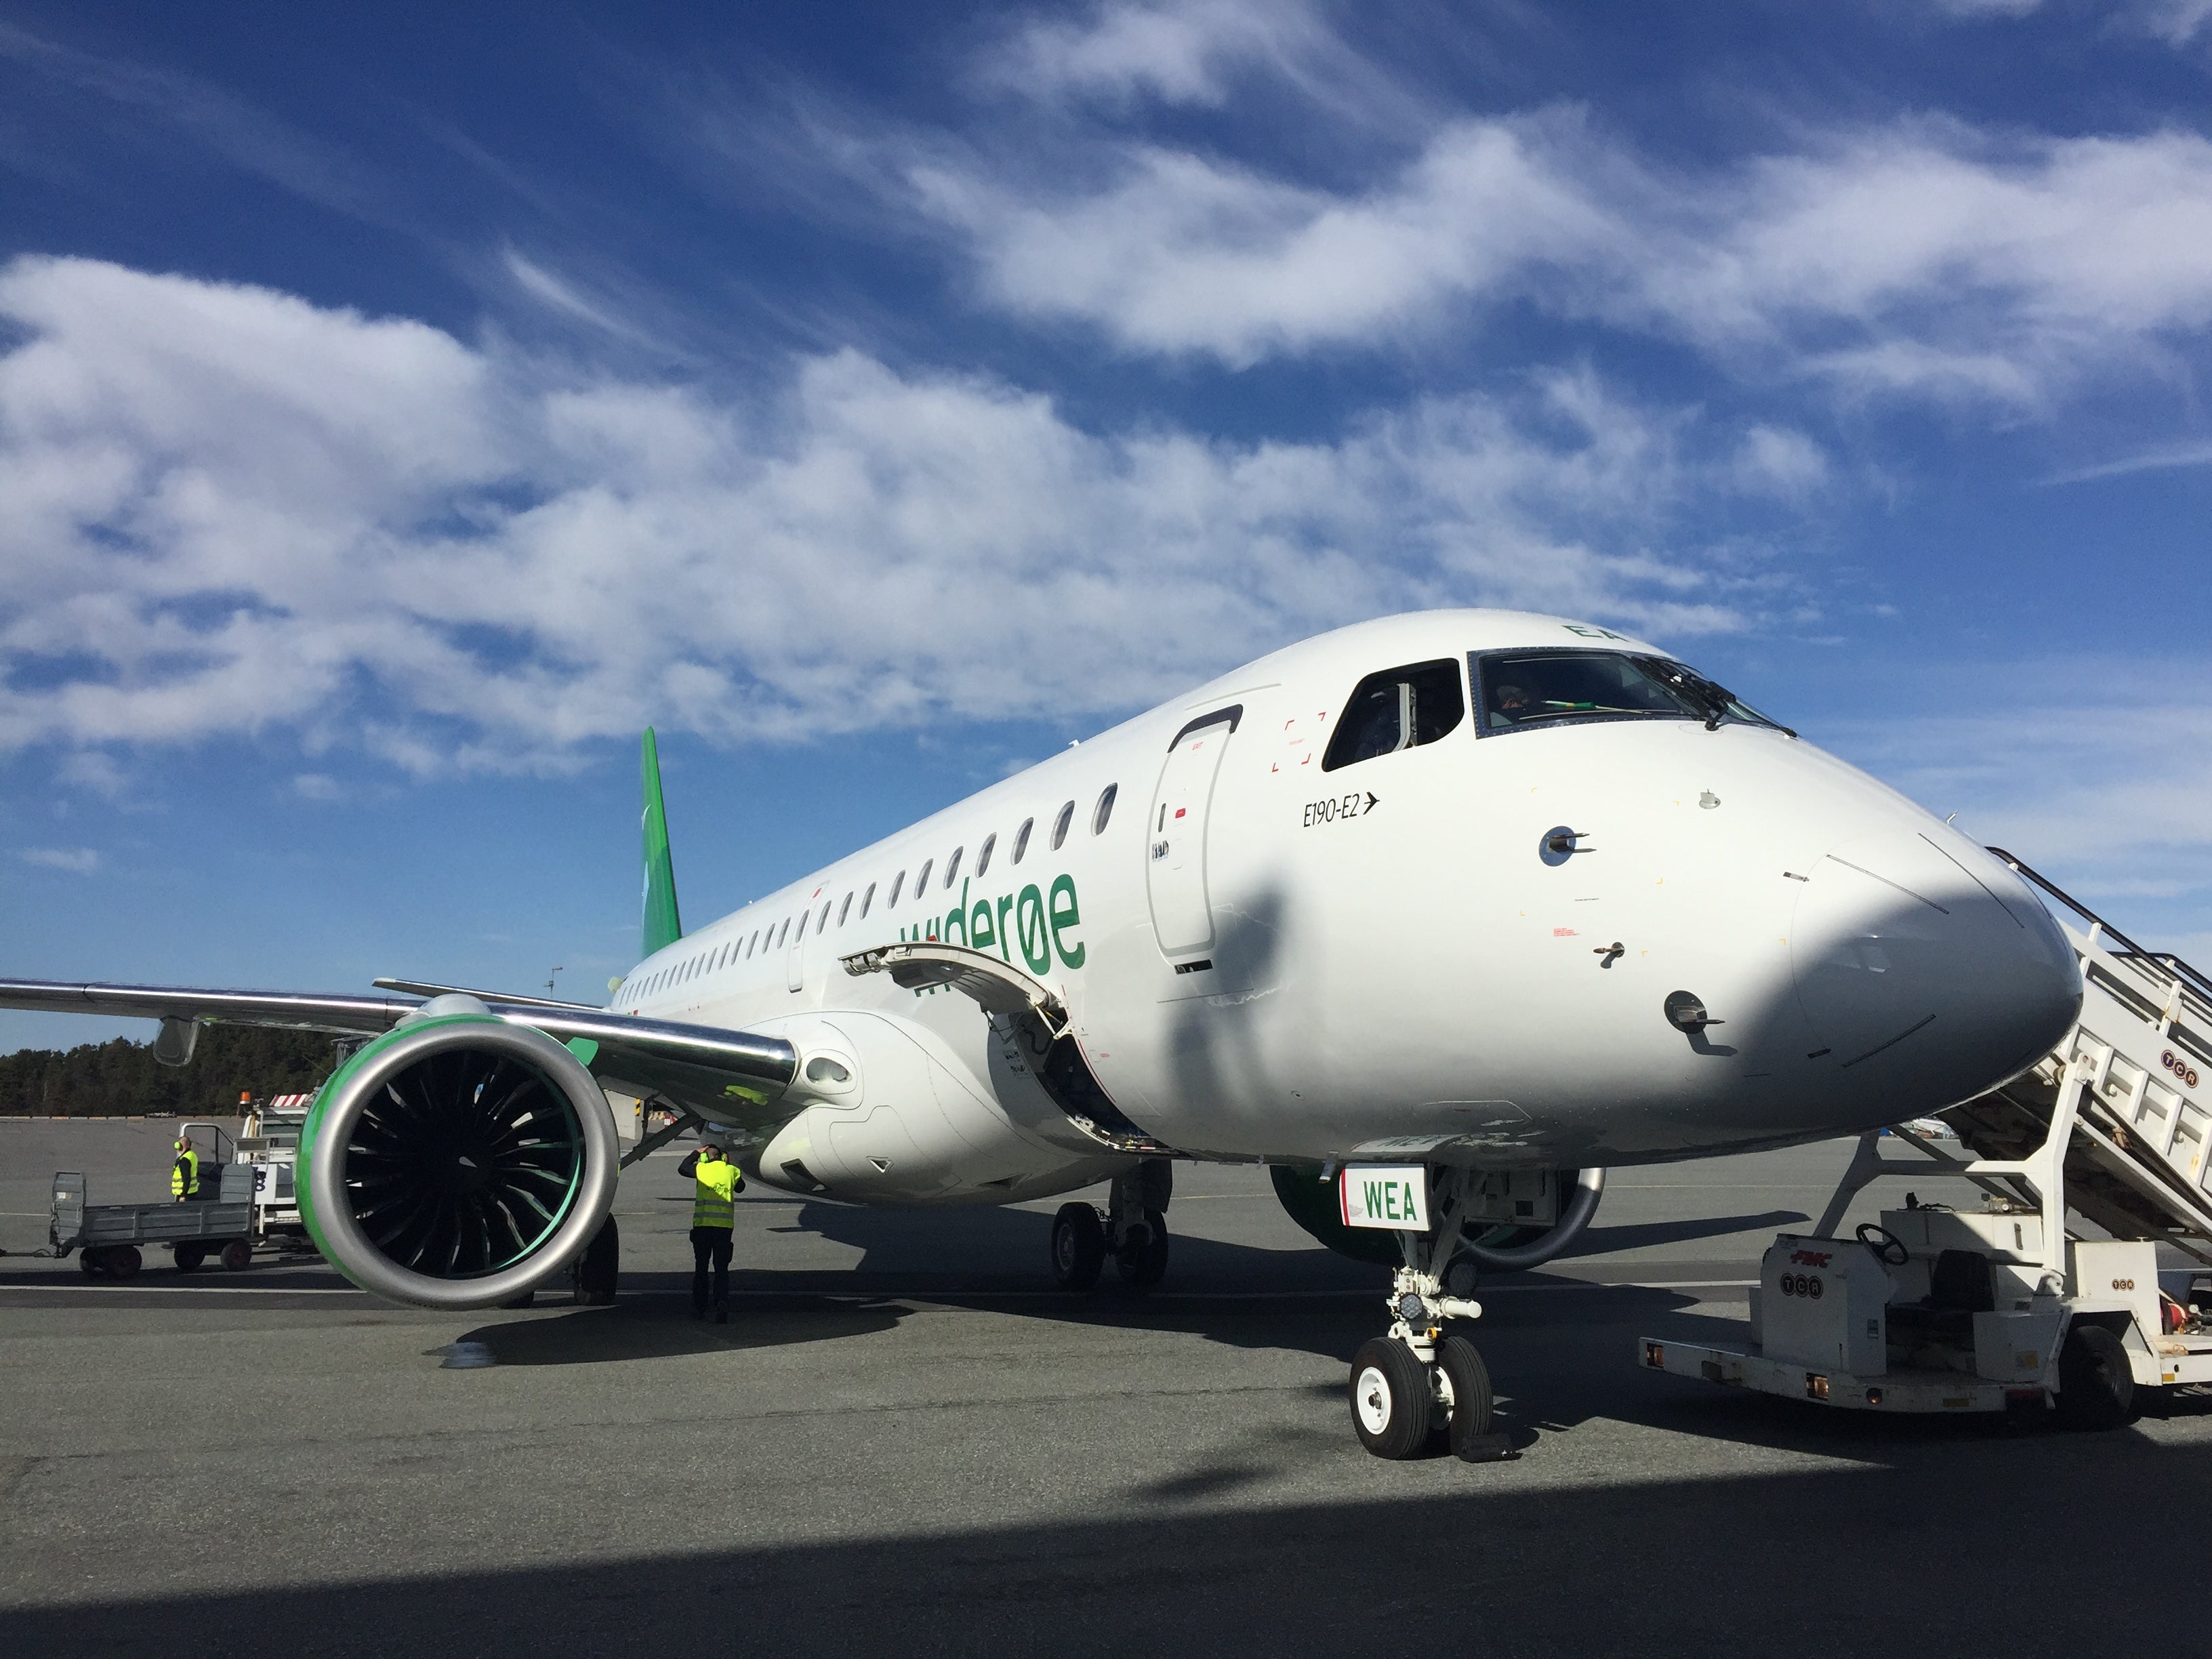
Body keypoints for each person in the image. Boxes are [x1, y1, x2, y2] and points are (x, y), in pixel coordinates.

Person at [689, 1143, 742, 1323]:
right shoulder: (731, 1171)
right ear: (723, 1157)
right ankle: (721, 1302)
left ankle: (700, 1307)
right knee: (721, 1269)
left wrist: (696, 1153)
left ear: (706, 1157)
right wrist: (729, 1164)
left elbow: (682, 1168)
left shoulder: (701, 1169)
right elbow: (740, 1187)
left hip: (702, 1228)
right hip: (724, 1229)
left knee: (701, 1268)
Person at [171, 1134, 199, 1202]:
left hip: (185, 1194)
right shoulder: (192, 1155)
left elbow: (186, 1178)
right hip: (191, 1191)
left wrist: (183, 1195)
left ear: (179, 1146)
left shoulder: (185, 1159)